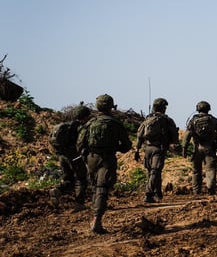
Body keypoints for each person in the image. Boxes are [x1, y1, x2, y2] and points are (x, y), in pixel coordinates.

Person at [77, 94, 132, 234]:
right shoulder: (115, 123)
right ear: (111, 106)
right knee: (102, 188)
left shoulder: (90, 123)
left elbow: (80, 143)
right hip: (107, 159)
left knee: (95, 186)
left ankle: (94, 216)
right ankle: (97, 220)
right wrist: (115, 148)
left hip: (92, 158)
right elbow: (126, 145)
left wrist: (86, 156)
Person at [135, 98, 179, 203]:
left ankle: (158, 193)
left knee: (151, 171)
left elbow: (139, 135)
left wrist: (137, 150)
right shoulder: (167, 120)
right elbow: (174, 136)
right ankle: (148, 194)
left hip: (147, 148)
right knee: (155, 171)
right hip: (159, 149)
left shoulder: (147, 119)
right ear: (163, 108)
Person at [49, 104, 92, 209]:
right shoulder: (79, 128)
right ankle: (79, 203)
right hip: (74, 156)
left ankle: (58, 190)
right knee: (81, 178)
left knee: (69, 179)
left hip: (62, 156)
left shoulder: (64, 126)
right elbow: (82, 143)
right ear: (85, 116)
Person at [182, 101, 217, 195]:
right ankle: (210, 189)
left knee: (196, 171)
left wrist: (184, 148)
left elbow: (187, 135)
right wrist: (215, 145)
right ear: (208, 109)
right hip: (209, 148)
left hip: (197, 148)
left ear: (197, 109)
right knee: (210, 169)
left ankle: (196, 191)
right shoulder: (213, 120)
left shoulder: (193, 120)